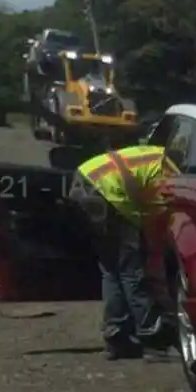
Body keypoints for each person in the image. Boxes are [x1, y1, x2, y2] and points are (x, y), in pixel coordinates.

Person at [69, 142, 178, 359]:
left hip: (84, 181)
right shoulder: (172, 173)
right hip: (109, 194)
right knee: (132, 271)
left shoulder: (156, 153)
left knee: (112, 269)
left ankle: (116, 336)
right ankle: (152, 338)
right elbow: (154, 214)